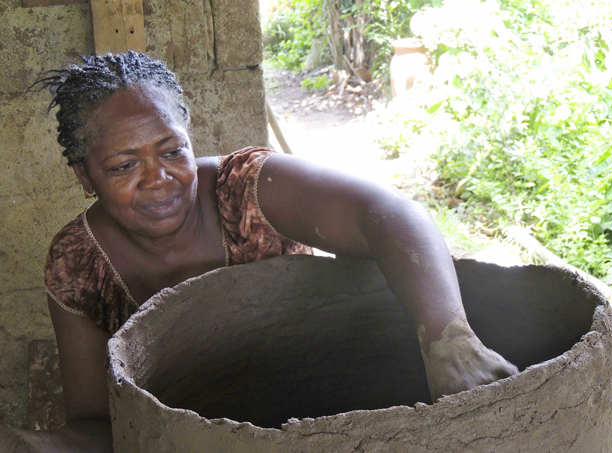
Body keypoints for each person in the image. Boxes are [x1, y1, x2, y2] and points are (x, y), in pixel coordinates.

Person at [8, 52, 518, 452]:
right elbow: (102, 427)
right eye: (122, 166)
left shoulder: (247, 188)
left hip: (330, 413)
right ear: (83, 174)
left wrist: (449, 342)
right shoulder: (79, 264)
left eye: (171, 150)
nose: (158, 180)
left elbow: (389, 215)